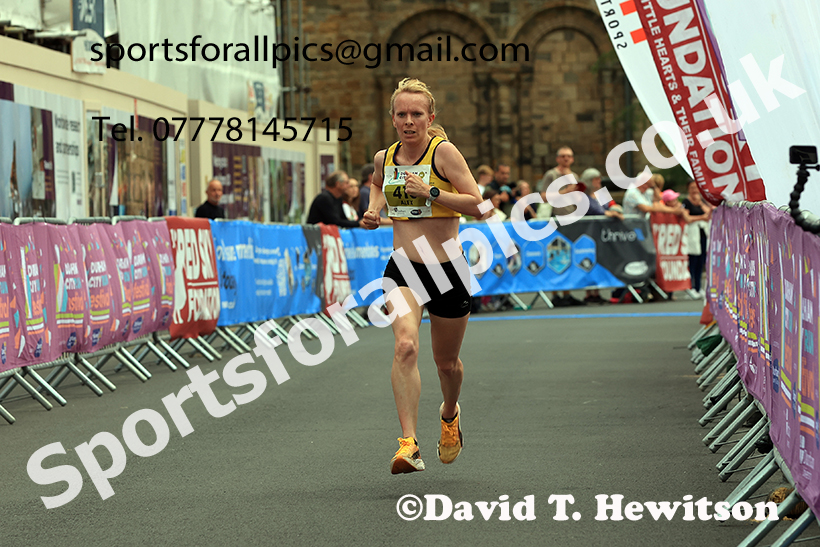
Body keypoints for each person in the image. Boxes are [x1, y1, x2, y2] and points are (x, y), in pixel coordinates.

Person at [361, 77, 485, 474]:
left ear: (430, 118)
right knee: (405, 348)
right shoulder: (385, 157)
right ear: (393, 118)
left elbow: (479, 207)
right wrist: (373, 209)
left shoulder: (443, 153)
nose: (409, 121)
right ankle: (408, 444)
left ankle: (450, 414)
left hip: (448, 269)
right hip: (402, 269)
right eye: (402, 114)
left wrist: (431, 192)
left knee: (446, 365)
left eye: (417, 114)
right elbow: (378, 183)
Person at [681, 181, 712, 296]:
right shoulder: (686, 202)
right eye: (692, 187)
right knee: (692, 260)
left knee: (701, 260)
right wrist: (701, 218)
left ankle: (699, 287)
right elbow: (687, 218)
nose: (694, 190)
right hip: (692, 234)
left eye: (696, 187)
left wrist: (700, 203)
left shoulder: (701, 201)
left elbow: (709, 213)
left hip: (702, 233)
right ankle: (692, 286)